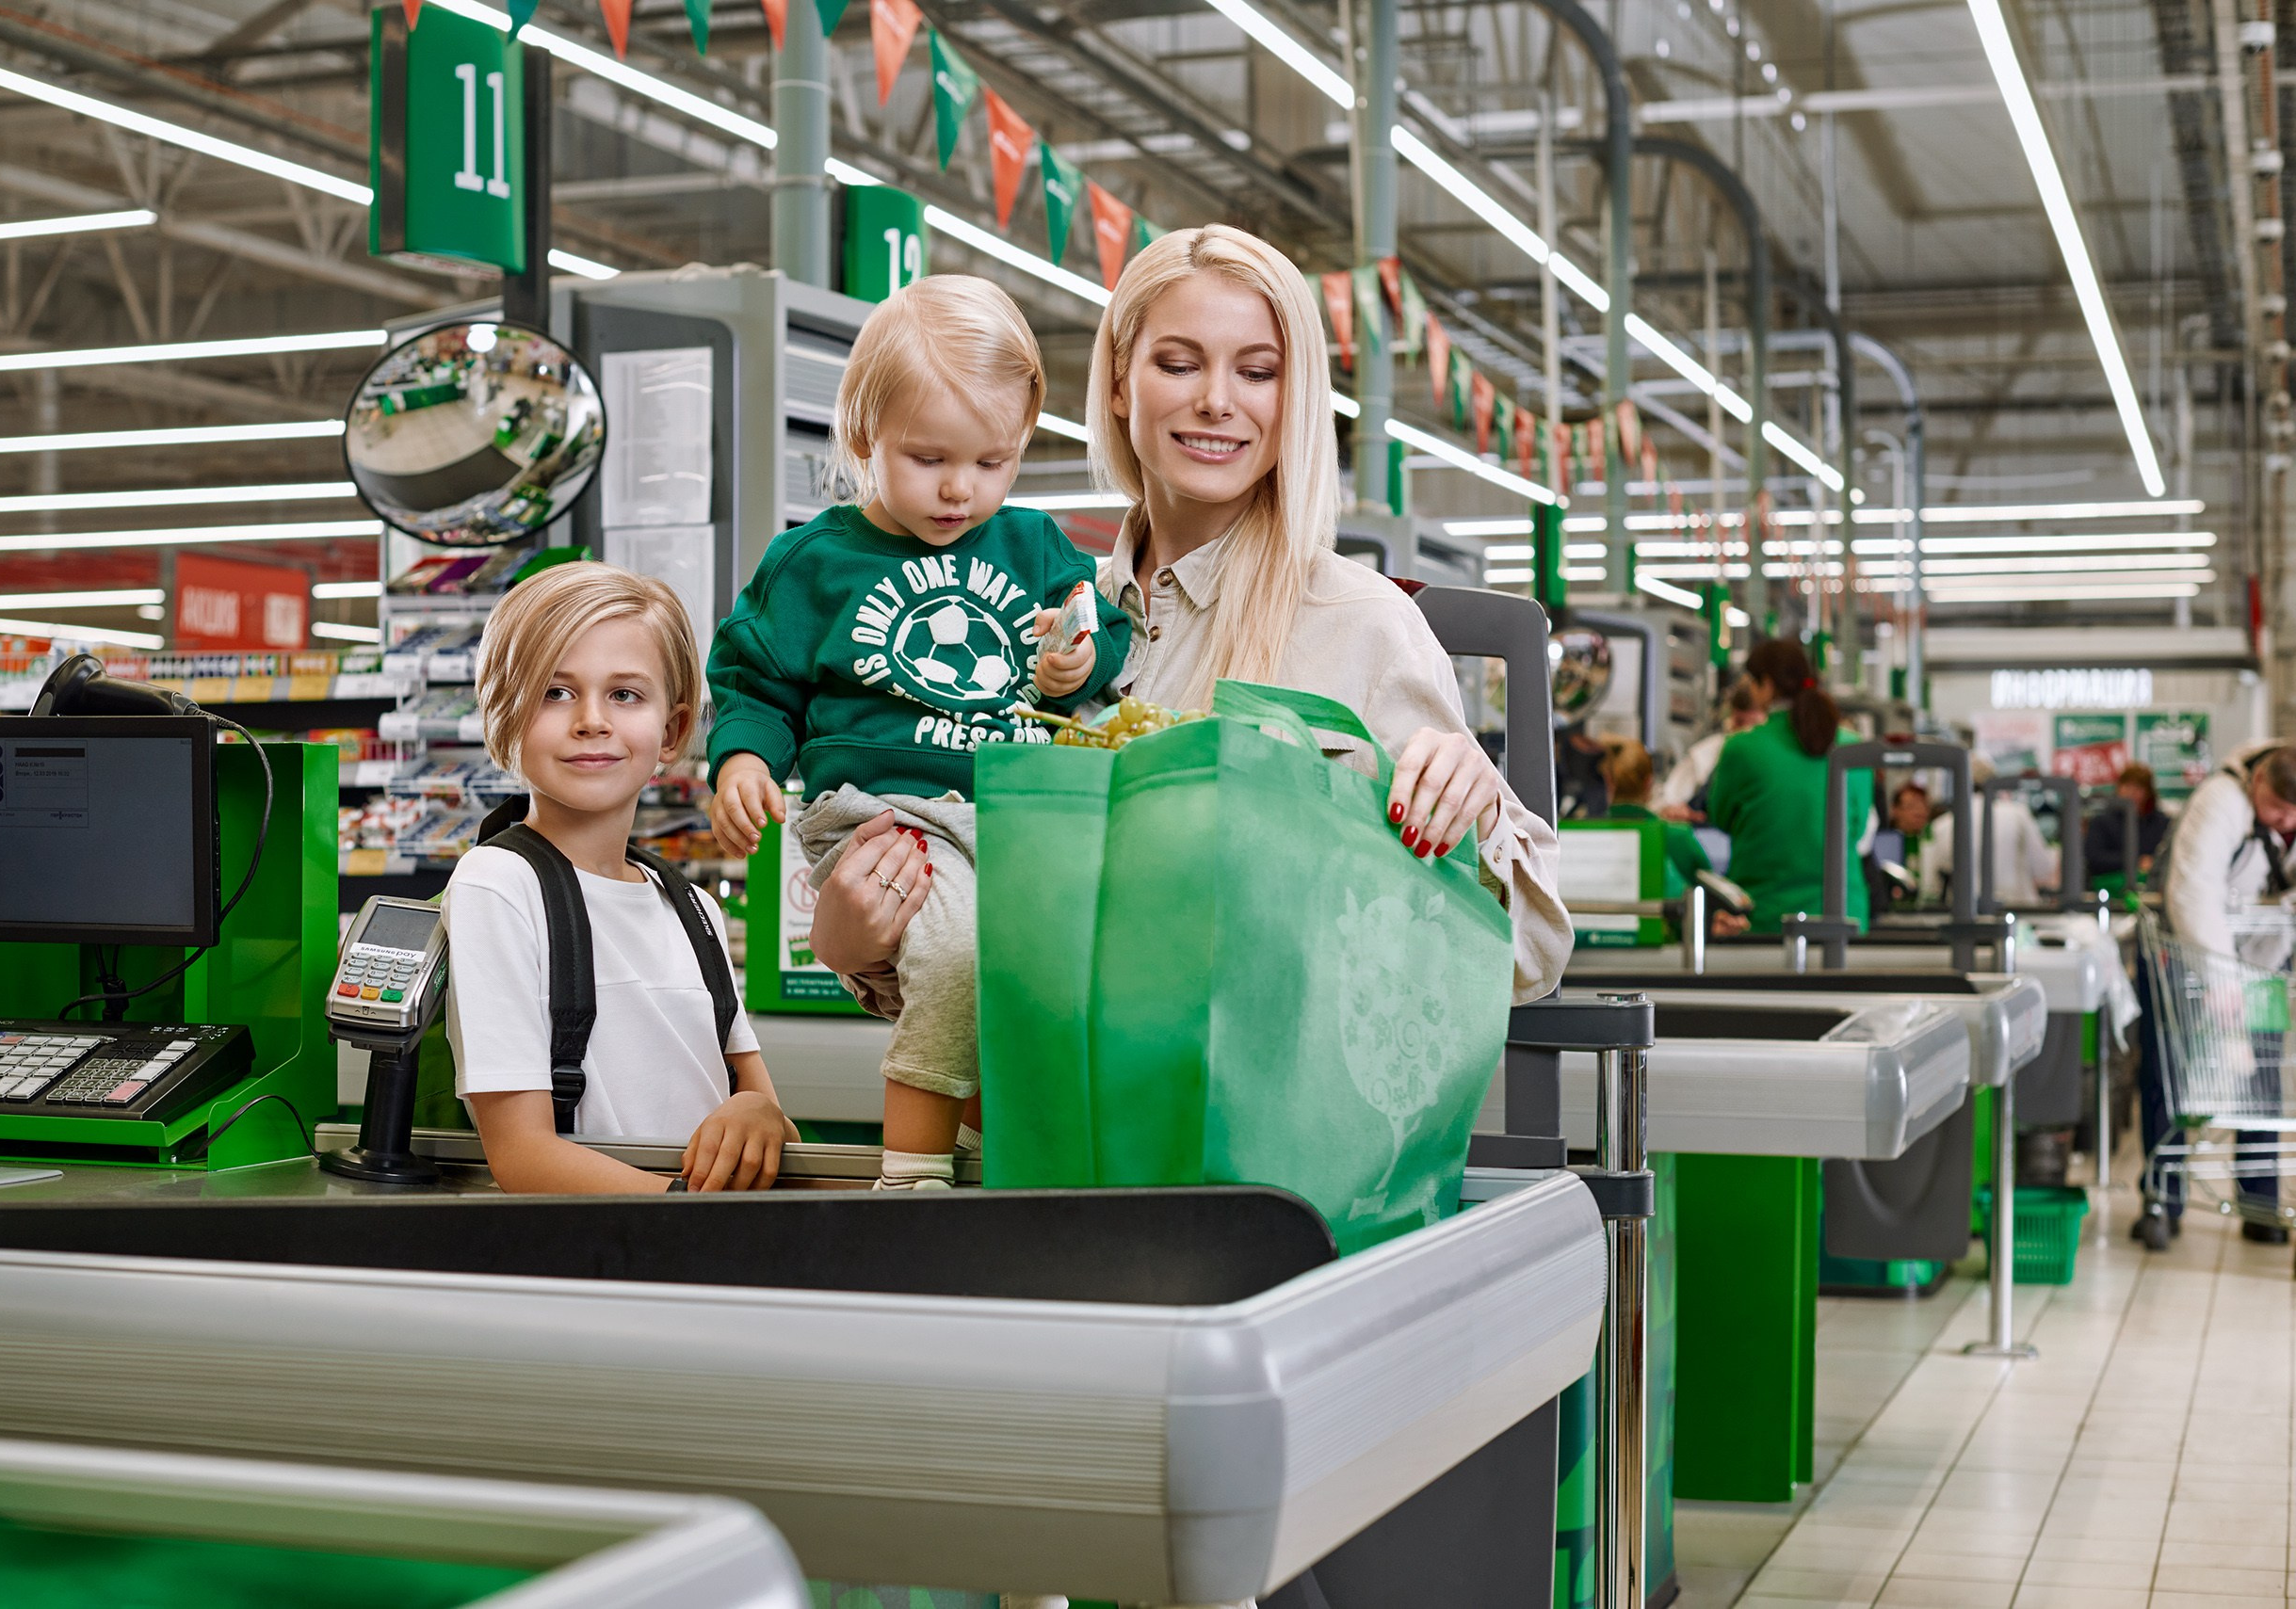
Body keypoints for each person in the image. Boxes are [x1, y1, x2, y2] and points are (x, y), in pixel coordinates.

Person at [806, 224, 1568, 1014]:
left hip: (1252, 1120)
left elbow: (1529, 956)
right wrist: (853, 949)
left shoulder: (1364, 626)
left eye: (1259, 371)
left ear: (1292, 396)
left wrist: (1474, 819)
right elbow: (976, 951)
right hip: (1034, 1116)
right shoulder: (1023, 617)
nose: (1216, 399)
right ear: (1119, 384)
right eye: (1178, 363)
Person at [704, 274, 1133, 1194]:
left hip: (1010, 814)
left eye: (992, 461)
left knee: (1027, 974)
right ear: (863, 440)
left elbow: (1098, 638)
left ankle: (988, 1148)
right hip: (880, 808)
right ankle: (910, 1172)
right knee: (951, 950)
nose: (958, 489)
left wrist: (1073, 665)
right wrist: (743, 757)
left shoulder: (1033, 545)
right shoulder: (814, 561)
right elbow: (753, 676)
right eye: (928, 456)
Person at [445, 562, 798, 1193]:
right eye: (555, 691)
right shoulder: (497, 884)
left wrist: (758, 1111)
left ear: (673, 731)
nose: (591, 720)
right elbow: (523, 1155)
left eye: (625, 694)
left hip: (698, 1251)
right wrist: (692, 1216)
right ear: (504, 716)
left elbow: (767, 1114)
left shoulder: (692, 908)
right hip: (603, 1257)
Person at [2135, 742, 2296, 1246]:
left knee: (2261, 1085)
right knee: (2172, 1078)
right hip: (2184, 958)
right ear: (2257, 781)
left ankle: (2261, 1203)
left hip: (2263, 963)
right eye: (2277, 808)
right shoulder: (2219, 800)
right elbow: (2193, 891)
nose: (2286, 820)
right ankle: (2163, 1199)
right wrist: (2221, 979)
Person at [1703, 638, 1872, 935]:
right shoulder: (1852, 747)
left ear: (1766, 685)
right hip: (1846, 915)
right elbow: (1856, 828)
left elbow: (1721, 817)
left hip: (1766, 916)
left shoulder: (1742, 747)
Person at [1601, 738, 1749, 939]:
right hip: (1669, 949)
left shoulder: (1589, 838)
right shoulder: (1676, 835)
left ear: (1608, 779)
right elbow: (1707, 889)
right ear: (1649, 782)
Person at [1918, 757, 2060, 909]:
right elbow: (2044, 869)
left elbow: (1930, 885)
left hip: (1965, 919)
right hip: (2019, 913)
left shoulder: (1942, 825)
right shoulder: (2018, 814)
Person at [1657, 679, 1766, 823]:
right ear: (1730, 718)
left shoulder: (1776, 763)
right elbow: (1665, 802)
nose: (1744, 732)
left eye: (1753, 725)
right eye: (1739, 722)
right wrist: (1672, 811)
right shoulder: (1704, 755)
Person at [2085, 761, 2169, 882]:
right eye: (2127, 786)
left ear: (2148, 792)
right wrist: (2137, 861)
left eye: (2138, 788)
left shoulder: (2162, 824)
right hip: (2111, 889)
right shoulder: (2101, 822)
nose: (2132, 792)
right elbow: (2095, 859)